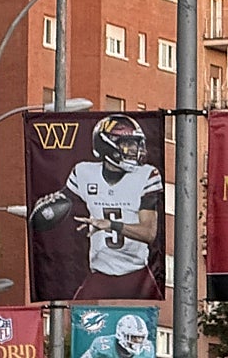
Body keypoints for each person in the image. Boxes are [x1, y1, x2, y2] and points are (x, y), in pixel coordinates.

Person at [33, 113, 164, 299]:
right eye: (127, 144)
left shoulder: (146, 175)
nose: (133, 150)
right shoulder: (84, 172)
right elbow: (62, 202)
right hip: (100, 272)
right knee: (76, 318)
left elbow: (148, 233)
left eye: (135, 144)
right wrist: (47, 209)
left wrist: (110, 225)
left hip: (136, 274)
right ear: (106, 145)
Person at [77, 314, 156, 358]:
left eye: (141, 337)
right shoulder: (102, 347)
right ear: (121, 335)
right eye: (133, 337)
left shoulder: (147, 352)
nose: (138, 341)